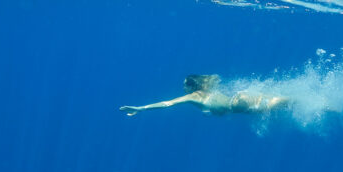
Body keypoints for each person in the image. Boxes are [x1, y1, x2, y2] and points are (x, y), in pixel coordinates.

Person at [119, 74, 289, 117]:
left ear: (191, 87)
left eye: (185, 85)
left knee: (276, 105)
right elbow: (219, 110)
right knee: (283, 100)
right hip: (240, 96)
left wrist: (140, 108)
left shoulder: (194, 96)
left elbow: (167, 103)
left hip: (237, 105)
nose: (183, 89)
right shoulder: (208, 89)